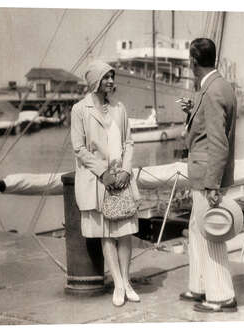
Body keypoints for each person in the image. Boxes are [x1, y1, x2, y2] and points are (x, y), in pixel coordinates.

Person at [71, 60, 140, 307]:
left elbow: (129, 142)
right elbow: (78, 148)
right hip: (97, 180)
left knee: (125, 232)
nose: (111, 81)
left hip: (120, 179)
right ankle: (119, 285)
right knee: (107, 234)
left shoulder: (119, 108)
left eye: (112, 76)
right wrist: (103, 173)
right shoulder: (80, 110)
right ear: (95, 81)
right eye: (106, 77)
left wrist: (126, 171)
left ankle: (128, 281)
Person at [179, 38, 238, 313]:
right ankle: (200, 285)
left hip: (206, 177)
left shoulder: (212, 92)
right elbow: (211, 130)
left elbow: (217, 142)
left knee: (209, 232)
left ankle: (221, 296)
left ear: (193, 61)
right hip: (204, 174)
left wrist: (213, 185)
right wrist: (192, 113)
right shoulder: (220, 87)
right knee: (196, 229)